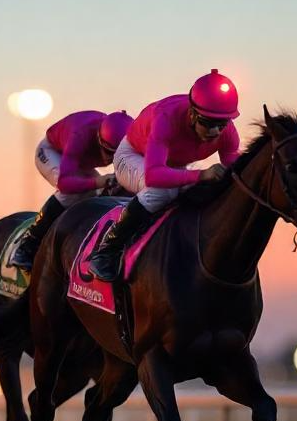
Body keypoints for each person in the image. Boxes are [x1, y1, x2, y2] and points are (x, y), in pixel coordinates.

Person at [88, 69, 241, 282]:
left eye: (221, 124)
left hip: (170, 165)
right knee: (161, 191)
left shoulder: (228, 133)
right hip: (133, 157)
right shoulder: (166, 118)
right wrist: (202, 175)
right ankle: (106, 251)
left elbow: (236, 172)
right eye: (207, 123)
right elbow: (154, 176)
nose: (215, 131)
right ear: (193, 113)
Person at [8, 110, 134, 269]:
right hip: (53, 152)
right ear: (99, 139)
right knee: (71, 194)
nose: (111, 160)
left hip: (79, 161)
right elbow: (65, 183)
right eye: (109, 153)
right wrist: (98, 181)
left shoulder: (131, 140)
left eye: (118, 155)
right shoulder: (79, 135)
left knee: (109, 193)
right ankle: (26, 245)